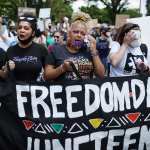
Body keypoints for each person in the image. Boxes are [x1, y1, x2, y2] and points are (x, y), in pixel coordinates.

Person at [44, 12, 105, 81]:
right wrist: (62, 68)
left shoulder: (89, 51)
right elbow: (46, 76)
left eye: (82, 33)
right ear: (69, 34)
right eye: (75, 32)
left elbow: (101, 75)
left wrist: (94, 51)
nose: (79, 35)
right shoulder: (56, 49)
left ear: (86, 37)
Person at [6, 14, 48, 82]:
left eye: (26, 28)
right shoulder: (10, 50)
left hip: (35, 90)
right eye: (19, 27)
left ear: (33, 33)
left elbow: (49, 73)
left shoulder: (41, 49)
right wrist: (6, 68)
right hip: (14, 91)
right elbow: (4, 75)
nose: (22, 30)